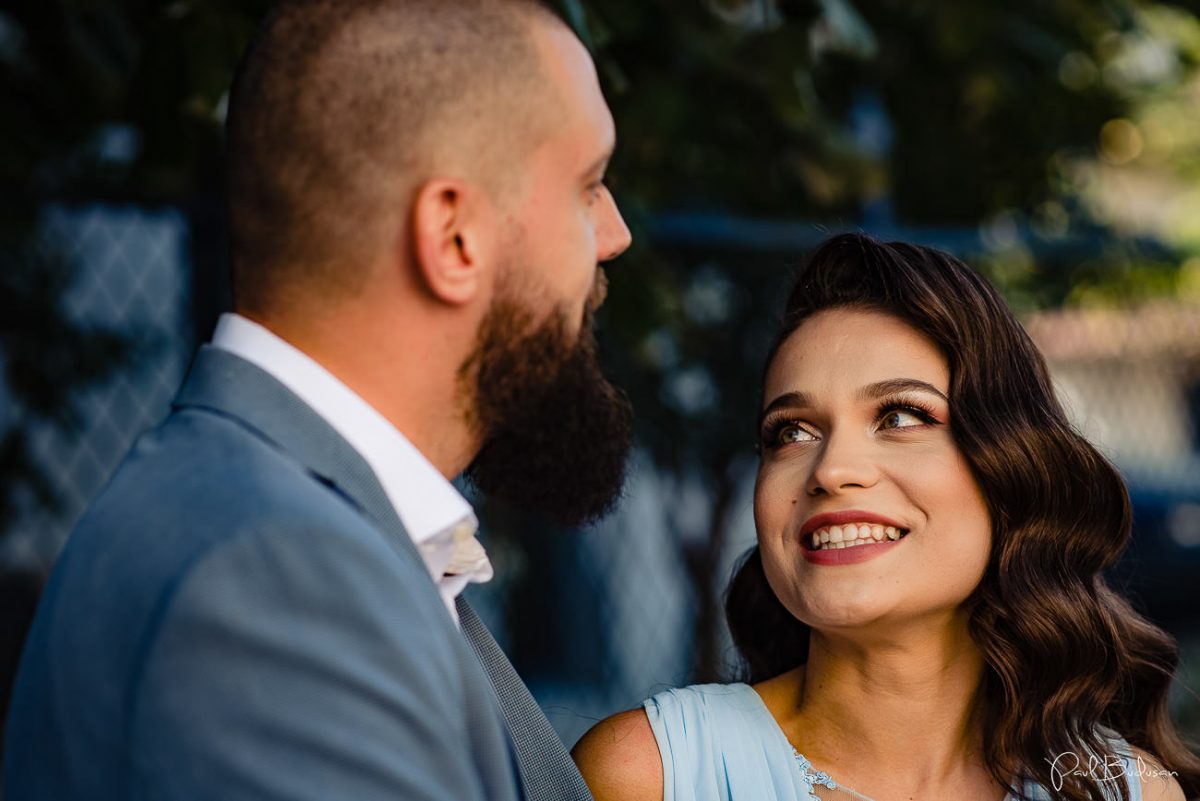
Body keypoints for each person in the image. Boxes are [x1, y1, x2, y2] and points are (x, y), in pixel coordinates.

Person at [5, 1, 632, 799]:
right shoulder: (270, 580)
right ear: (454, 237)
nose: (614, 234)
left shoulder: (319, 539)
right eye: (587, 186)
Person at [573, 234, 1199, 801]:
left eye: (900, 417)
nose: (830, 469)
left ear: (1010, 470)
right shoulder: (649, 776)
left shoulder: (1128, 793)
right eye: (791, 431)